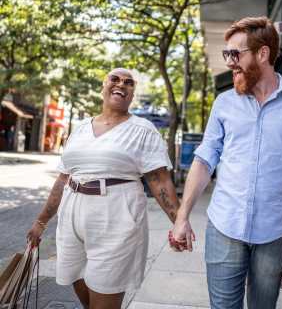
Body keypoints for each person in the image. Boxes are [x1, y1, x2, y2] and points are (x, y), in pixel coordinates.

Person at [171, 17, 282, 309]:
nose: (229, 63)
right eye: (227, 54)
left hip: (273, 232)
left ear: (263, 54)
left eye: (235, 54)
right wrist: (182, 217)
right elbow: (205, 160)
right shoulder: (224, 103)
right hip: (224, 225)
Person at [27, 68, 180, 309]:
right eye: (115, 79)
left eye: (129, 82)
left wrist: (179, 222)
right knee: (82, 290)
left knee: (105, 298)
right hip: (72, 216)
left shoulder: (142, 129)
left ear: (132, 94)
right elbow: (63, 178)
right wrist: (41, 221)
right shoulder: (80, 129)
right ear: (103, 86)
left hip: (116, 217)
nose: (122, 84)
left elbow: (159, 180)